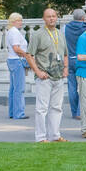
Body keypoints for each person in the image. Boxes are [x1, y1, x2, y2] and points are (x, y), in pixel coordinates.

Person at [27, 8, 69, 143]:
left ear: (57, 18)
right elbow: (29, 55)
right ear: (44, 19)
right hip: (44, 77)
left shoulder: (60, 34)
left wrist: (66, 68)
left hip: (59, 76)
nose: (51, 18)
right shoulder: (38, 34)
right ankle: (41, 137)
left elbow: (65, 54)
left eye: (54, 16)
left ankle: (55, 136)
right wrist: (38, 72)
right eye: (49, 16)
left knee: (57, 108)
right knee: (42, 108)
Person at [63, 8, 86, 119]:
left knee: (72, 87)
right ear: (83, 17)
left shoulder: (65, 28)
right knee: (83, 87)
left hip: (69, 59)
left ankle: (74, 112)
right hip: (82, 59)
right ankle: (79, 112)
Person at [4, 12, 29, 120]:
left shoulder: (10, 31)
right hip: (17, 61)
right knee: (19, 88)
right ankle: (19, 113)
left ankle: (12, 112)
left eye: (21, 20)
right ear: (13, 22)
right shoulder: (14, 32)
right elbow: (16, 48)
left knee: (13, 88)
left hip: (12, 60)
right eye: (18, 20)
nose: (21, 22)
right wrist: (27, 55)